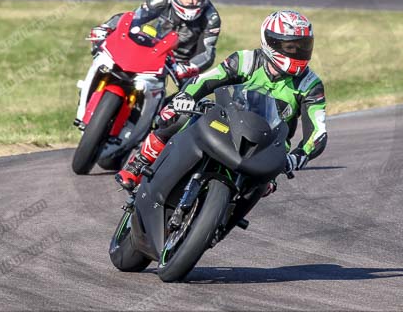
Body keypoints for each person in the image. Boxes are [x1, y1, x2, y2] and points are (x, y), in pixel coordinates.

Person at [115, 10, 328, 192]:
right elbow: (206, 80)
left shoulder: (310, 84)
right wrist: (185, 97)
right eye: (290, 46)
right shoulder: (247, 60)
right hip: (226, 122)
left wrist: (299, 156)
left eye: (303, 46)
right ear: (271, 42)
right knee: (178, 116)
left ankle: (224, 218)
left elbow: (317, 131)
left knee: (264, 186)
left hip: (267, 145)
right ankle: (140, 162)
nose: (297, 52)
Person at [88, 0, 221, 81]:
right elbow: (133, 18)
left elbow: (207, 53)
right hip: (153, 50)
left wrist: (191, 66)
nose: (191, 1)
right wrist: (107, 27)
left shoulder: (211, 17)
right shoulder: (160, 0)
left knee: (189, 96)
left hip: (181, 64)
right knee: (113, 69)